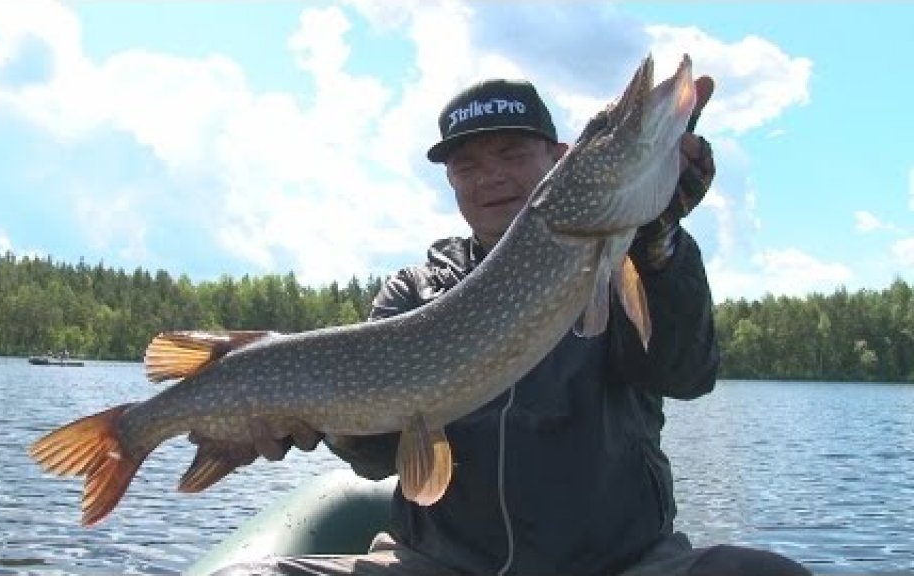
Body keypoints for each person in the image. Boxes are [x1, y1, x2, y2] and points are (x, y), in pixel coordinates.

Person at [212, 76, 812, 575]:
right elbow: (377, 458)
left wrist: (658, 241)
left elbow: (685, 372)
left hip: (621, 565)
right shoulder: (415, 290)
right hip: (439, 564)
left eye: (512, 154)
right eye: (467, 164)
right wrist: (315, 422)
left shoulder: (626, 264)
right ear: (451, 183)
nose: (489, 176)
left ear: (557, 160)